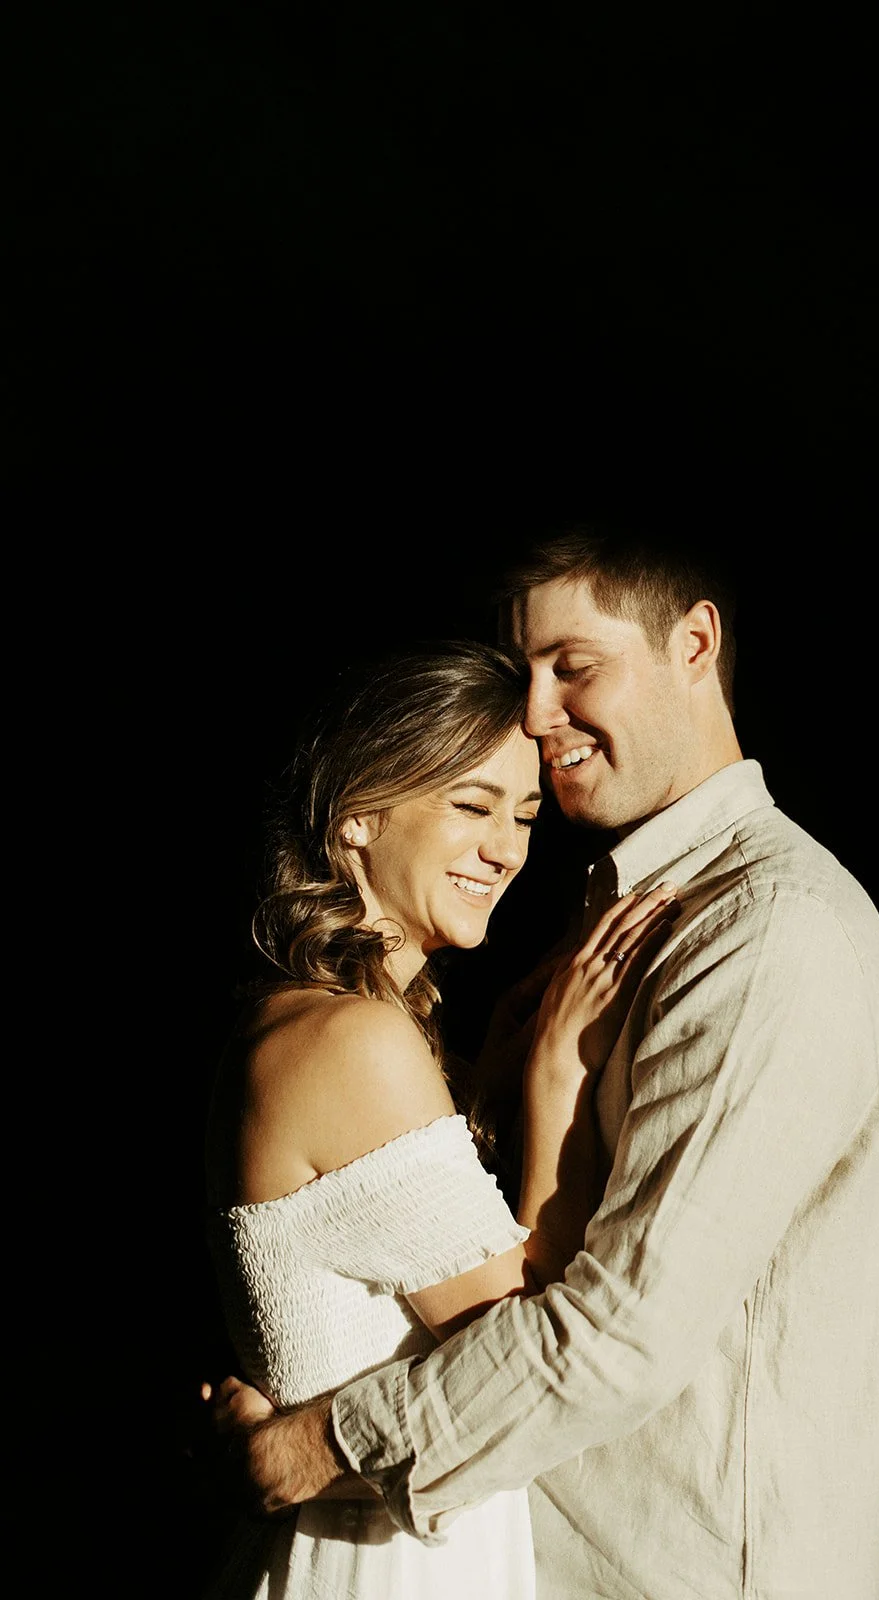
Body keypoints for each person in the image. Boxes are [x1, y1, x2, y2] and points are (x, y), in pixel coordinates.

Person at [215, 529, 879, 1600]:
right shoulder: (599, 938)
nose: (535, 713)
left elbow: (612, 1331)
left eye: (572, 666)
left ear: (693, 644)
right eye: (522, 670)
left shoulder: (766, 929)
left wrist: (310, 1447)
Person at [202, 638, 678, 1599]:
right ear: (356, 823)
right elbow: (527, 1340)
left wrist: (492, 1085)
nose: (507, 848)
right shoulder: (350, 1042)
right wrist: (556, 1079)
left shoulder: (315, 1022)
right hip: (380, 1567)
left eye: (526, 814)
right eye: (470, 806)